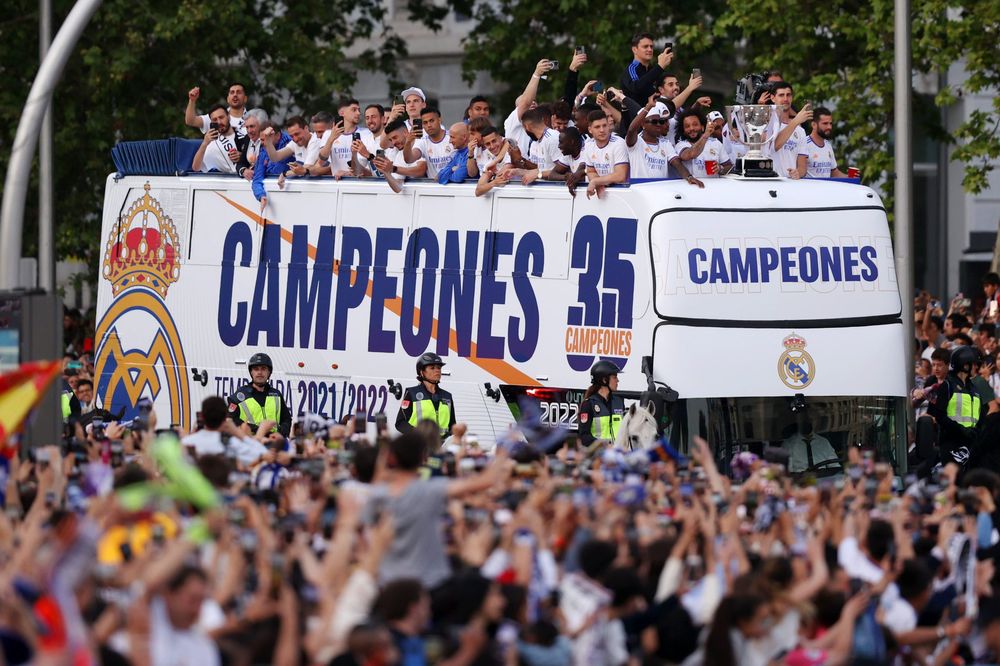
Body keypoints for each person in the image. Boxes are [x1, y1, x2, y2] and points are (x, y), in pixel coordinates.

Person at [927, 344, 987, 466]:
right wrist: (960, 429)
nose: (976, 367)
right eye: (973, 364)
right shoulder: (947, 385)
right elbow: (940, 416)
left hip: (971, 444)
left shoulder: (975, 389)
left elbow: (981, 417)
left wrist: (976, 432)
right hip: (951, 444)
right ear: (965, 365)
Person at [626, 100, 704, 186]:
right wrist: (648, 107)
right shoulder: (636, 141)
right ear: (643, 124)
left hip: (661, 189)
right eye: (654, 122)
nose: (659, 124)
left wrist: (689, 177)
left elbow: (677, 163)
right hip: (640, 188)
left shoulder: (665, 143)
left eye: (661, 122)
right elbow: (631, 130)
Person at [181, 396, 266, 466]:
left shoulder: (186, 443)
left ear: (202, 417)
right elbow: (265, 455)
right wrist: (240, 434)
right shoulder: (230, 444)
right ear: (225, 418)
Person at [227, 352, 292, 438]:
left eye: (263, 369)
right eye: (256, 369)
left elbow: (286, 419)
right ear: (251, 372)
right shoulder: (239, 396)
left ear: (269, 372)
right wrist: (258, 429)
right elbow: (231, 420)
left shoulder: (276, 395)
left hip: (273, 443)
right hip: (250, 442)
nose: (260, 372)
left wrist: (280, 432)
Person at [395, 352, 457, 438]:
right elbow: (400, 423)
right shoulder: (412, 393)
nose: (437, 370)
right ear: (421, 372)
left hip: (440, 446)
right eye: (432, 368)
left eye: (439, 368)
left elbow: (452, 425)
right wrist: (417, 435)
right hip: (419, 445)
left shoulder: (447, 396)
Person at [578, 360, 625, 449]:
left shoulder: (619, 402)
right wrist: (604, 446)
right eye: (614, 377)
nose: (618, 380)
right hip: (598, 456)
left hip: (617, 455)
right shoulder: (588, 404)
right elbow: (584, 437)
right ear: (604, 380)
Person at [769, 82, 813, 179]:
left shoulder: (800, 130)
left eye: (788, 95)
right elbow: (775, 146)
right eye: (781, 95)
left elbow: (802, 167)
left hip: (791, 185)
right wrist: (796, 121)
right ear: (772, 98)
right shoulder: (767, 124)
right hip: (770, 182)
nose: (785, 99)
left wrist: (798, 173)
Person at [673, 108, 731, 178]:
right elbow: (690, 154)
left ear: (702, 127)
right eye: (687, 126)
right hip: (690, 187)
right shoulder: (680, 145)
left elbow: (729, 166)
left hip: (714, 187)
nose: (692, 128)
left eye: (695, 124)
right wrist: (705, 135)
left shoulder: (716, 143)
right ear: (683, 131)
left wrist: (720, 168)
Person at [582, 112, 629, 199]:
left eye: (604, 125)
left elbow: (621, 176)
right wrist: (599, 183)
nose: (602, 130)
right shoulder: (588, 145)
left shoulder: (618, 143)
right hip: (603, 195)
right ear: (590, 129)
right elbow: (591, 171)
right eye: (597, 127)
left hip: (621, 194)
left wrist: (596, 181)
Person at [191, 104, 248, 174]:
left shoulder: (243, 136)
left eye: (221, 117)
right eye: (214, 120)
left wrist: (242, 157)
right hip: (214, 179)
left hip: (239, 179)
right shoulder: (209, 140)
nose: (219, 122)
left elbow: (255, 159)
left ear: (229, 117)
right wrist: (204, 143)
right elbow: (195, 168)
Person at [620, 32, 674, 103]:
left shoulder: (653, 69)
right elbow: (636, 87)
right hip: (637, 113)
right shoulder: (632, 69)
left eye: (651, 46)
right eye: (645, 46)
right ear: (634, 50)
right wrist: (660, 66)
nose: (650, 49)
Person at [403, 107, 453, 179]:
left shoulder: (452, 137)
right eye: (425, 123)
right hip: (433, 186)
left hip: (454, 185)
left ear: (439, 120)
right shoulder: (423, 142)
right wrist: (408, 142)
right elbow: (409, 159)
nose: (429, 125)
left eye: (432, 121)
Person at [798, 107, 846, 178]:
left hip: (826, 188)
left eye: (830, 123)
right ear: (814, 125)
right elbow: (799, 172)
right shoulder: (804, 143)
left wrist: (852, 178)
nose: (829, 127)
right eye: (825, 123)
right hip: (810, 188)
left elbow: (834, 172)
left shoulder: (828, 145)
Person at [236, 108, 268, 181]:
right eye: (247, 127)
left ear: (262, 126)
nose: (249, 131)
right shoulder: (247, 138)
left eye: (252, 126)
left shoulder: (270, 139)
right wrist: (244, 171)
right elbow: (240, 163)